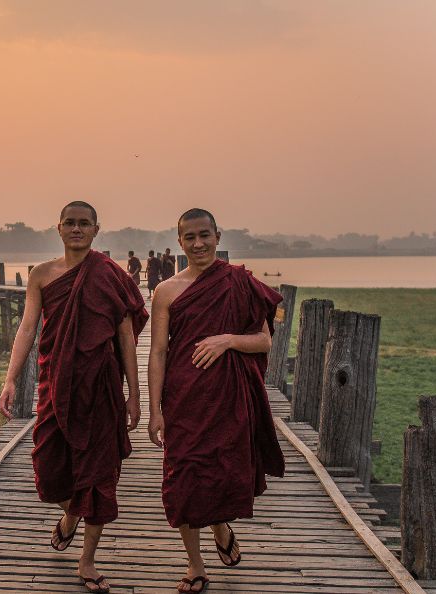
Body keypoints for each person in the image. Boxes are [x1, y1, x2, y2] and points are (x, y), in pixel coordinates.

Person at [0, 201, 148, 593]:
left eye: (85, 223)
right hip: (55, 383)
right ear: (59, 228)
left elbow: (126, 340)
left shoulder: (110, 276)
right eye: (70, 223)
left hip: (100, 387)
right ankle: (69, 516)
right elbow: (28, 328)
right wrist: (11, 378)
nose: (77, 229)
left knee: (99, 475)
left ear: (97, 230)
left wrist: (134, 395)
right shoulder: (42, 275)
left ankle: (87, 561)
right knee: (50, 469)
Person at [146, 208, 285, 593]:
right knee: (182, 479)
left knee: (223, 470)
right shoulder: (166, 291)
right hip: (184, 397)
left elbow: (264, 340)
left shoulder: (238, 282)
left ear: (218, 236)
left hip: (228, 398)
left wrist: (227, 340)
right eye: (189, 237)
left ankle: (221, 525)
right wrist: (154, 410)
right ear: (179, 242)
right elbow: (158, 352)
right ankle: (195, 566)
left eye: (204, 235)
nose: (198, 243)